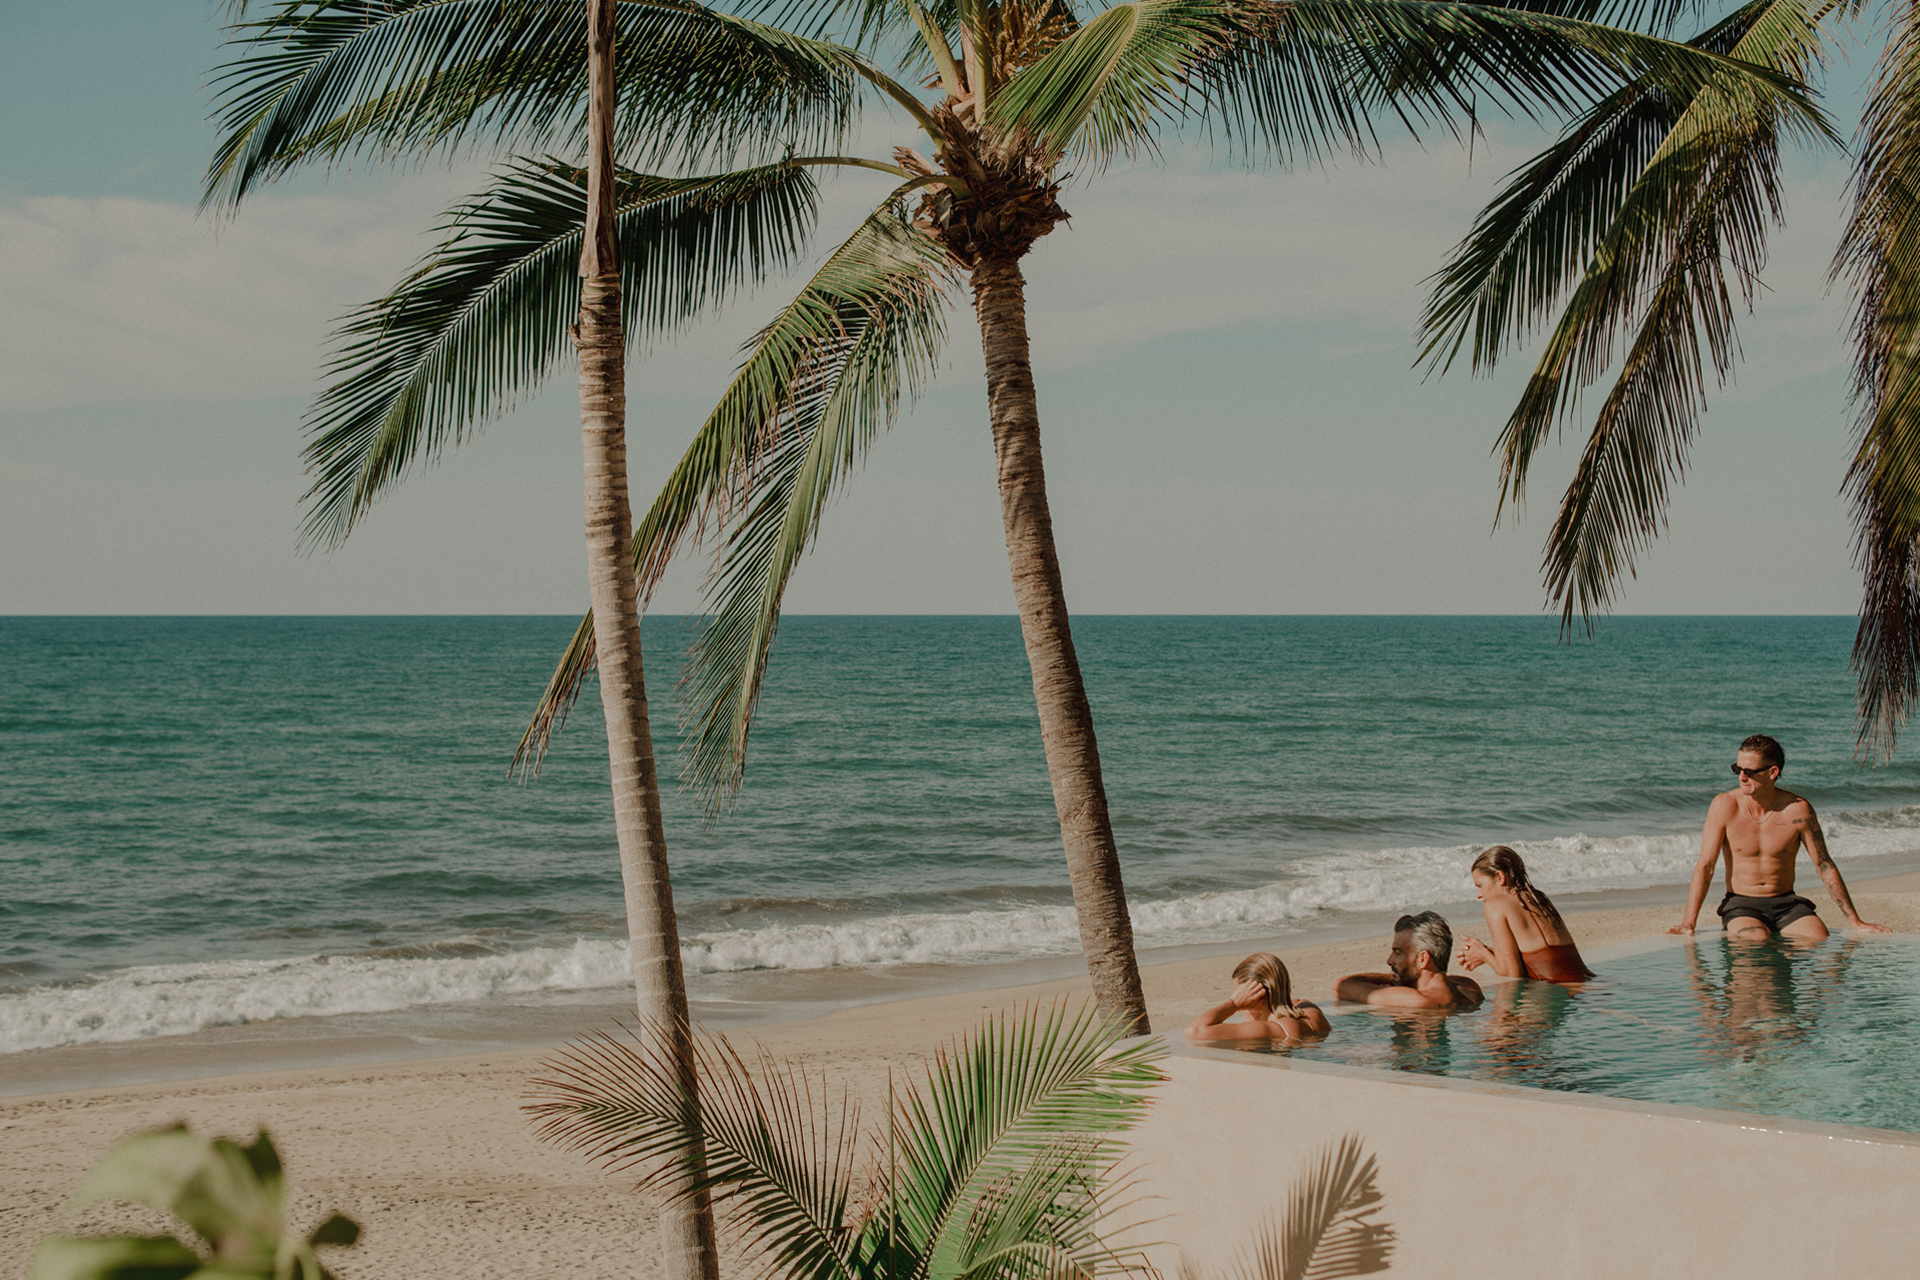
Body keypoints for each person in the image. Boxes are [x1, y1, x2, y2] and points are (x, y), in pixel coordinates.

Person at [1667, 734, 1890, 941]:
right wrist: (1689, 922)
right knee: (1757, 939)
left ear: (1772, 773)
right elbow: (1706, 866)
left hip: (1786, 903)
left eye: (1750, 772)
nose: (1742, 777)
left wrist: (1855, 921)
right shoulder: (1725, 806)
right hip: (1742, 904)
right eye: (1737, 769)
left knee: (1818, 938)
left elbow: (1824, 865)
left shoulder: (1798, 810)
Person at [1455, 846, 1595, 983]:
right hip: (1590, 985)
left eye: (1480, 886)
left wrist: (1482, 953)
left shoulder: (1495, 905)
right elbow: (1540, 959)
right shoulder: (1538, 897)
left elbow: (1512, 976)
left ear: (1499, 877)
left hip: (1563, 993)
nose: (1479, 895)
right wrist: (1486, 950)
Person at [1335, 911, 1483, 1010]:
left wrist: (1393, 977)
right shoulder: (1469, 987)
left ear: (1423, 959)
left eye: (1398, 953)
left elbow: (1341, 987)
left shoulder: (1419, 1001)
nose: (1389, 960)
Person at [1186, 952, 1331, 1042]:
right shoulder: (1310, 1011)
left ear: (1256, 998)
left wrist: (1233, 1004)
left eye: (1240, 996)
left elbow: (1195, 1031)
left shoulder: (1271, 1030)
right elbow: (1290, 1003)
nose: (1239, 1010)